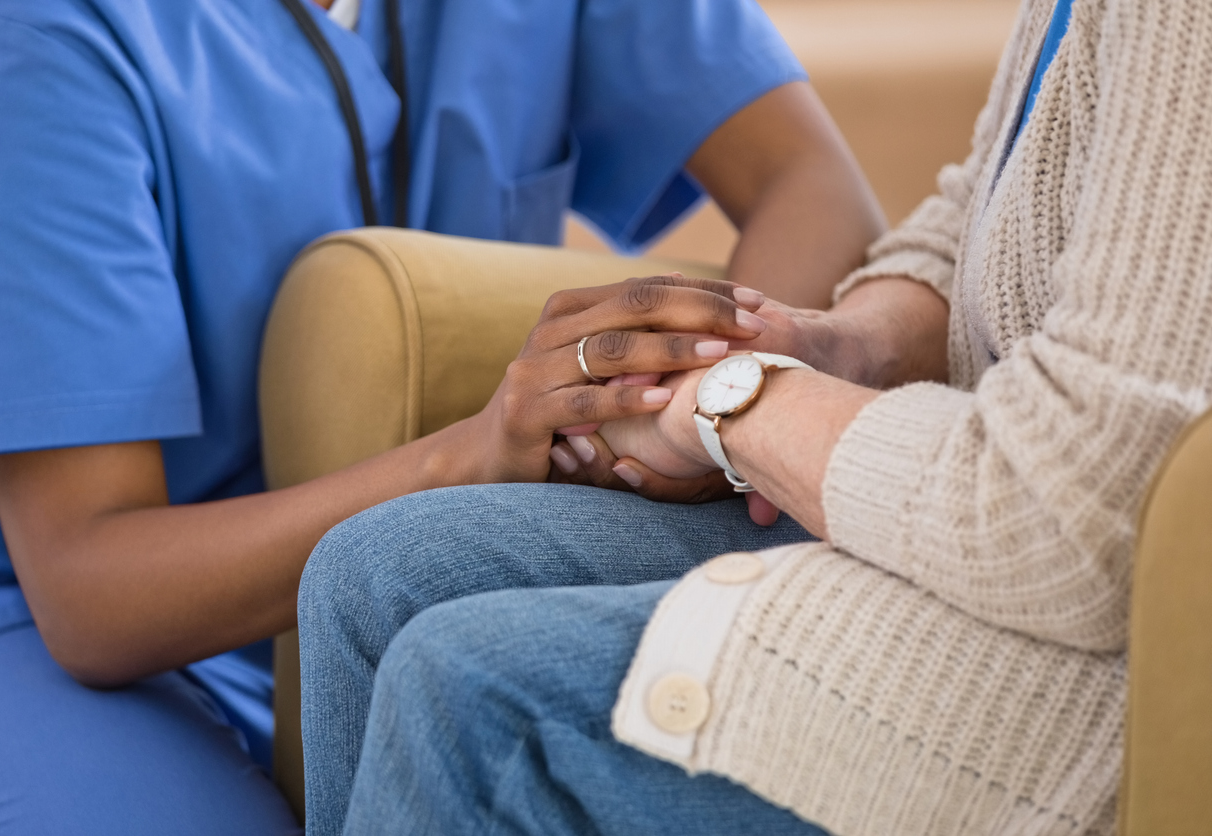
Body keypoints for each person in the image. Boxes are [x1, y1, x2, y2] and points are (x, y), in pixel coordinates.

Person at [0, 0, 887, 832]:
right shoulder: (39, 32)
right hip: (65, 623)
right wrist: (479, 453)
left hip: (464, 553)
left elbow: (815, 187)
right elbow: (89, 594)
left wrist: (681, 397)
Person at [298, 0, 1212, 833]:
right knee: (371, 569)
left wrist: (737, 406)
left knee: (468, 690)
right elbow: (974, 216)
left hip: (1093, 634)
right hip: (959, 506)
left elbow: (1070, 516)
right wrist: (831, 342)